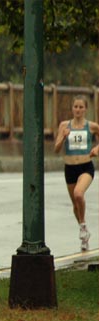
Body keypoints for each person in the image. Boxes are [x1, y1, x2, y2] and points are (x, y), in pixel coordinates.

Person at [54, 95, 98, 252]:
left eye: (81, 107)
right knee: (75, 205)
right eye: (75, 107)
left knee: (79, 194)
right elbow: (56, 149)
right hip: (70, 168)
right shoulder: (64, 126)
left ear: (86, 109)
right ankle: (83, 231)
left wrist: (96, 149)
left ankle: (83, 224)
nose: (78, 110)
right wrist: (63, 137)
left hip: (86, 166)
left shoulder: (91, 126)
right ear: (72, 109)